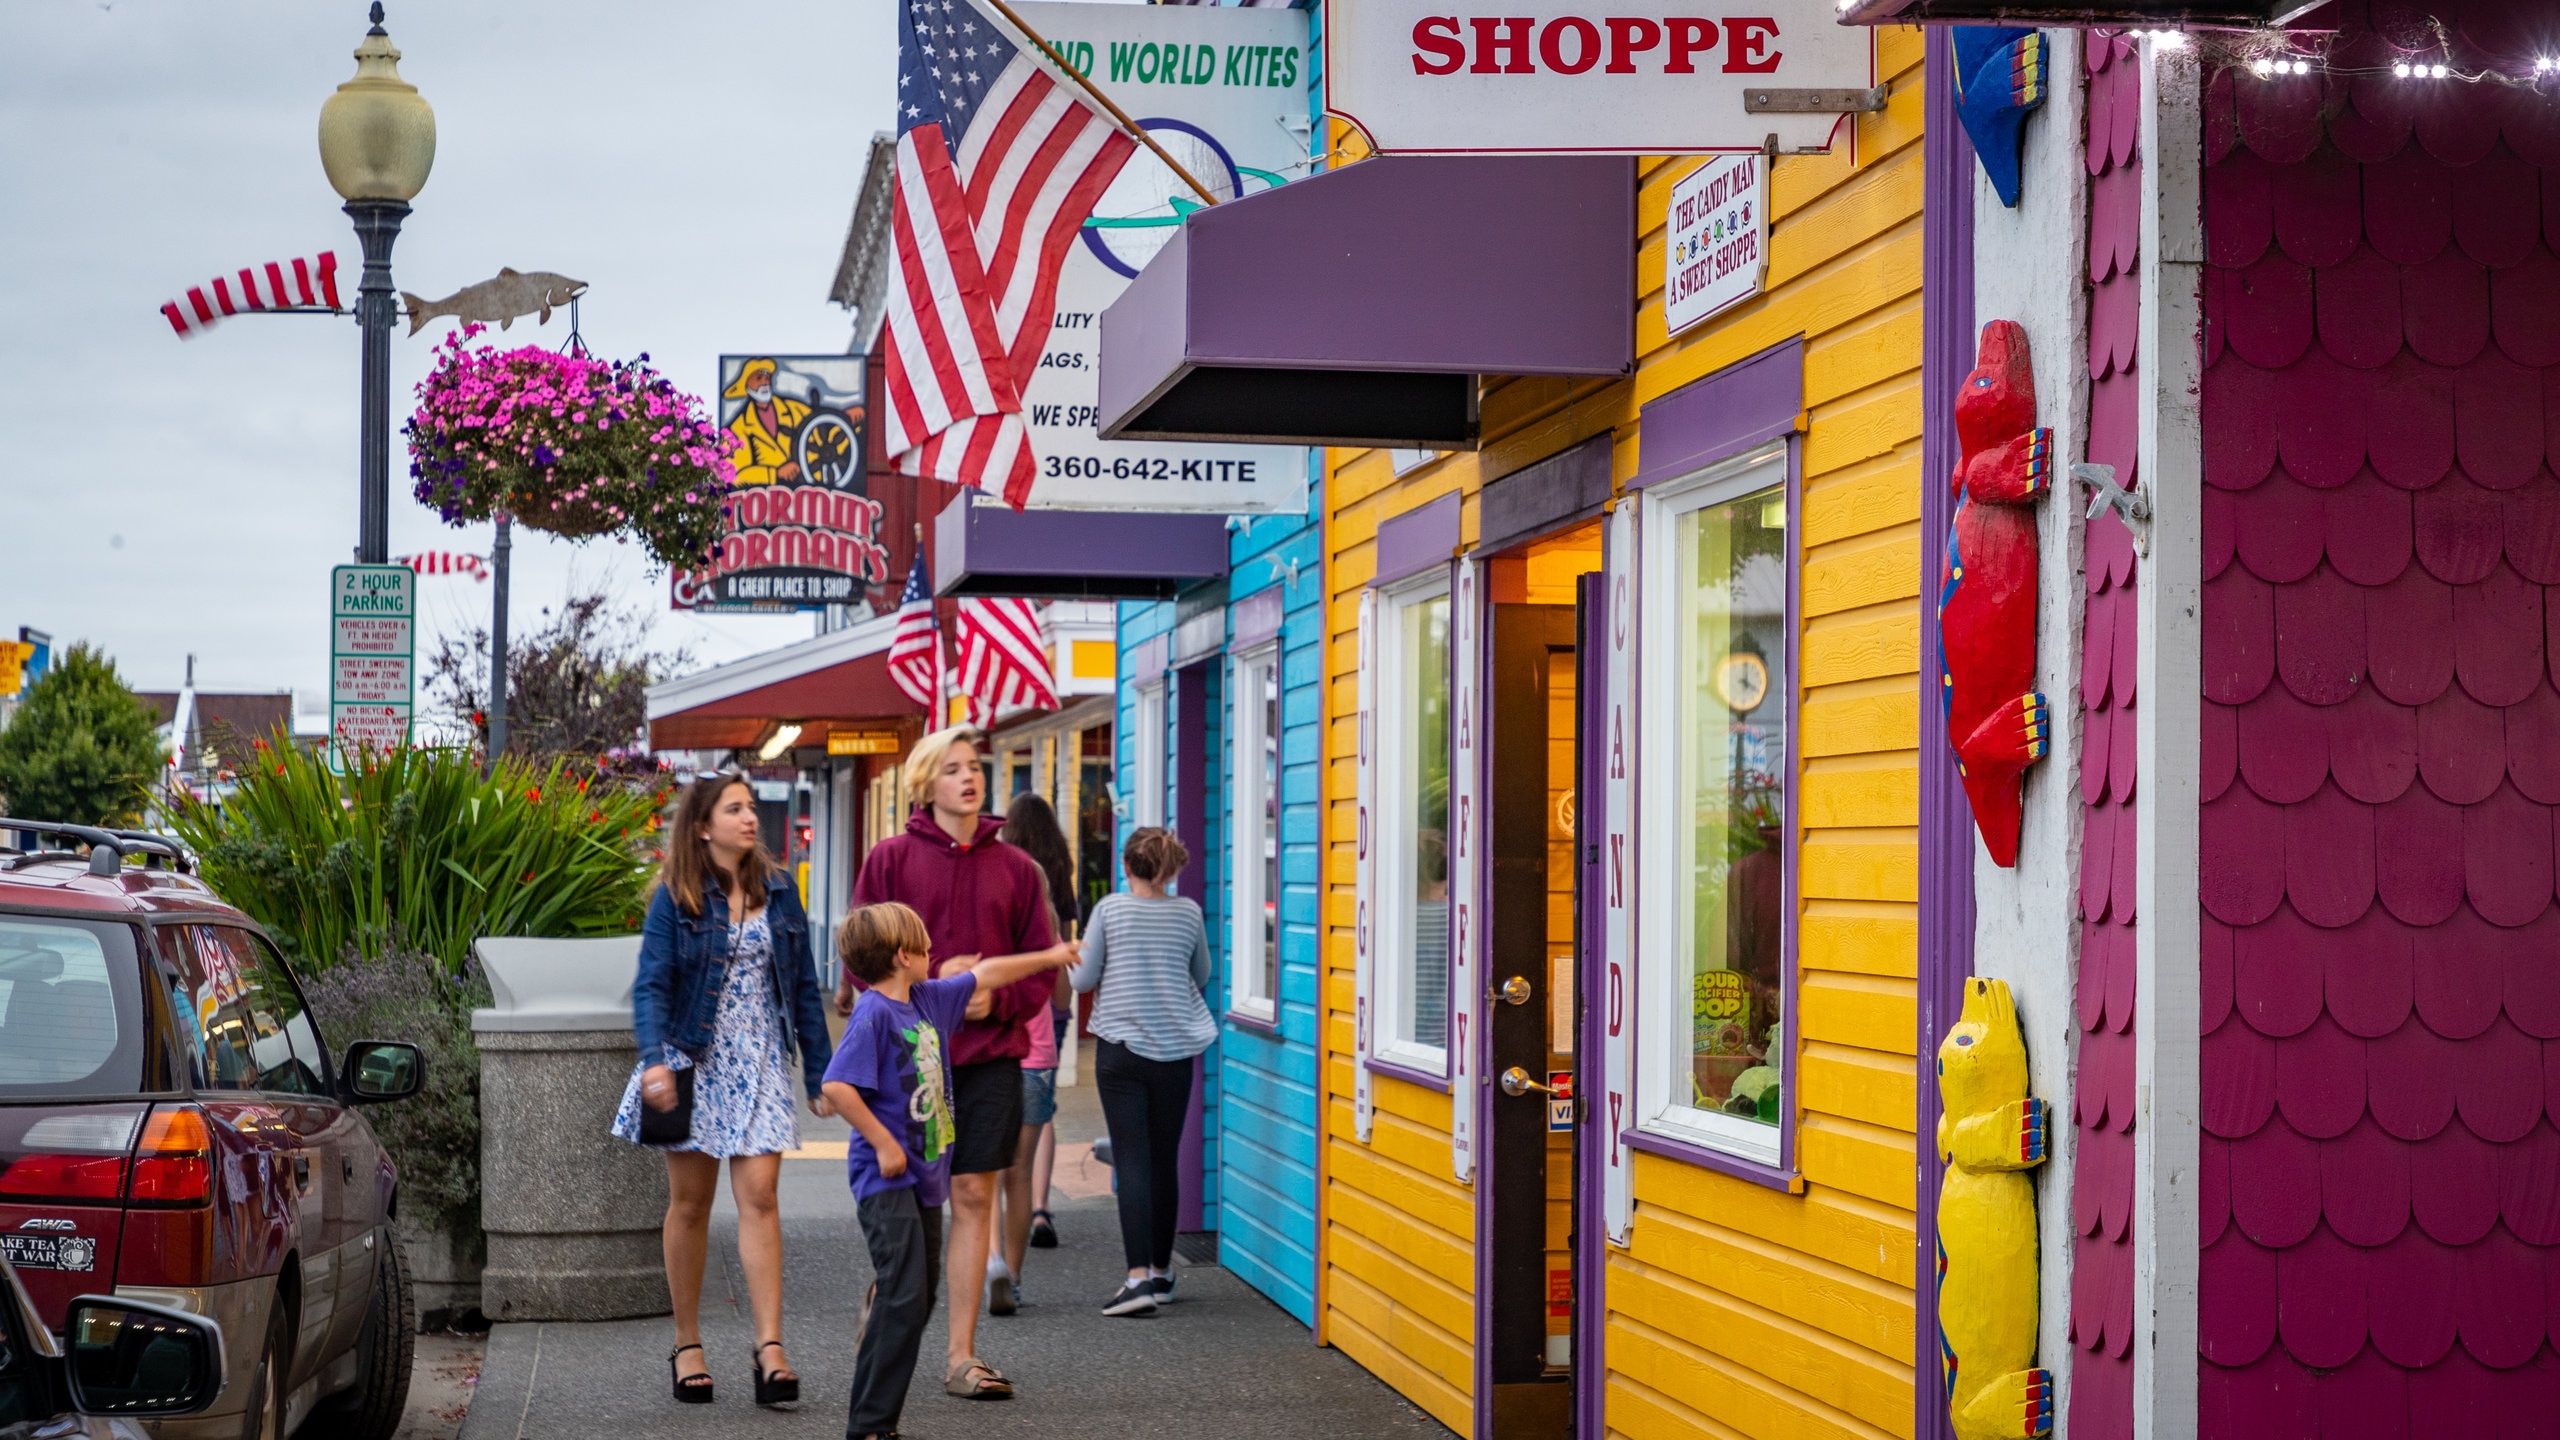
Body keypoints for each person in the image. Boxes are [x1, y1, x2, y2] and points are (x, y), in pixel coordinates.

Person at [834, 726, 1057, 1399]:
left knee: (972, 1194)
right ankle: (893, 1288)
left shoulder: (1018, 869)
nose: (970, 777)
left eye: (976, 767)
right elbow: (858, 951)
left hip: (990, 1058)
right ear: (925, 784)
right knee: (910, 1201)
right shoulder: (893, 859)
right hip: (907, 1067)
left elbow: (1040, 968)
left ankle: (961, 1355)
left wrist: (1000, 1001)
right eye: (954, 768)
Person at [613, 771, 834, 1407]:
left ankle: (770, 1350)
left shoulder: (782, 892)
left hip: (761, 1057)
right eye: (734, 809)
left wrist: (819, 1072)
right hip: (693, 1059)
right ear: (704, 825)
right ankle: (688, 1344)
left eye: (750, 807)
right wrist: (654, 1060)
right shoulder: (676, 896)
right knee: (691, 1205)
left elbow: (803, 992)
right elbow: (651, 983)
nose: (749, 818)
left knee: (761, 1195)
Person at [824, 902, 1078, 1440]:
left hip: (924, 1182)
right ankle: (870, 1426)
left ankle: (875, 1417)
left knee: (919, 1296)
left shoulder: (927, 1001)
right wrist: (884, 1143)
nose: (932, 951)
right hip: (885, 1181)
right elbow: (837, 1087)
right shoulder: (873, 1014)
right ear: (902, 956)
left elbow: (986, 973)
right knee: (903, 1292)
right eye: (922, 944)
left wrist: (1051, 955)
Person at [1070, 826, 1217, 1317]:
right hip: (1175, 1051)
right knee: (1162, 1158)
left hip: (1122, 1050)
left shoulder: (1110, 910)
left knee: (1131, 1160)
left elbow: (1084, 978)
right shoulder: (1189, 913)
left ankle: (1135, 1283)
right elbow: (1200, 976)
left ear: (1127, 866)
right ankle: (1160, 1271)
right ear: (1171, 869)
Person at [991, 794, 1081, 1309]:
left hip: (985, 1051)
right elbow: (1063, 995)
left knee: (980, 1171)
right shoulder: (1047, 918)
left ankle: (990, 1265)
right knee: (1019, 1172)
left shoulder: (991, 912)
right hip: (1038, 1051)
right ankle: (1015, 1277)